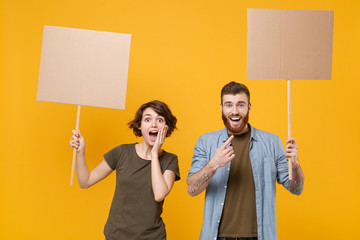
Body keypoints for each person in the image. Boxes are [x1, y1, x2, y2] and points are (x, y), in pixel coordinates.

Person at [187, 82, 304, 240]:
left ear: (249, 107)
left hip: (260, 236)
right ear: (221, 107)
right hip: (217, 237)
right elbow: (192, 190)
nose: (234, 111)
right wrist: (213, 164)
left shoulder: (272, 142)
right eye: (229, 105)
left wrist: (295, 164)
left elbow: (296, 189)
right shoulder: (206, 142)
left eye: (240, 105)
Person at [70, 100, 180, 240]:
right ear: (139, 126)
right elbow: (85, 182)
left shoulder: (170, 160)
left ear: (166, 127)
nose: (153, 124)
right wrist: (80, 152)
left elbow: (159, 194)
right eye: (147, 119)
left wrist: (154, 154)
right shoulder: (121, 152)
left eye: (159, 120)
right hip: (116, 236)